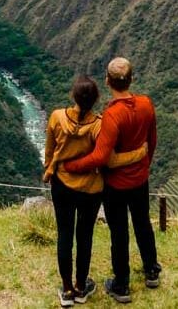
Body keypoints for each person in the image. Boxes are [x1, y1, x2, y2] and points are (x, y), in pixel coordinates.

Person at [63, 57, 160, 303]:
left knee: (119, 232)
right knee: (143, 223)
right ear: (131, 79)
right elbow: (152, 141)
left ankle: (122, 285)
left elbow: (100, 157)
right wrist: (143, 165)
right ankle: (151, 270)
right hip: (140, 180)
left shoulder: (112, 116)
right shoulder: (146, 104)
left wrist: (71, 166)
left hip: (116, 185)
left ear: (107, 81)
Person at [44, 75, 147, 307]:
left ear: (73, 95)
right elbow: (110, 160)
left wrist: (50, 170)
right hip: (90, 189)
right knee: (84, 236)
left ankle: (67, 290)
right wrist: (139, 154)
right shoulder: (100, 125)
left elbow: (49, 150)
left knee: (64, 234)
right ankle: (81, 287)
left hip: (62, 185)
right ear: (96, 99)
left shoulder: (57, 117)